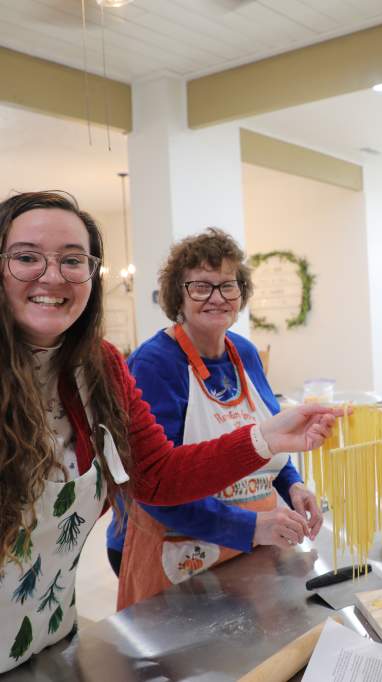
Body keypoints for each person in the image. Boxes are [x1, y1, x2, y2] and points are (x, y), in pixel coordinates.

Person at [0, 191, 339, 674]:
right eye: (26, 257)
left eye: (73, 260)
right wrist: (250, 524)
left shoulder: (100, 367)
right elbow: (157, 498)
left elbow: (155, 474)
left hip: (49, 634)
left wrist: (270, 443)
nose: (53, 275)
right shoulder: (154, 361)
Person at [110, 228, 322, 609]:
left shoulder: (245, 353)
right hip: (178, 552)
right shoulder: (155, 364)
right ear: (178, 294)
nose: (217, 298)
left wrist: (293, 485)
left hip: (249, 549)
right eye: (201, 287)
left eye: (228, 285)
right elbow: (153, 486)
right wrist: (251, 527)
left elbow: (269, 437)